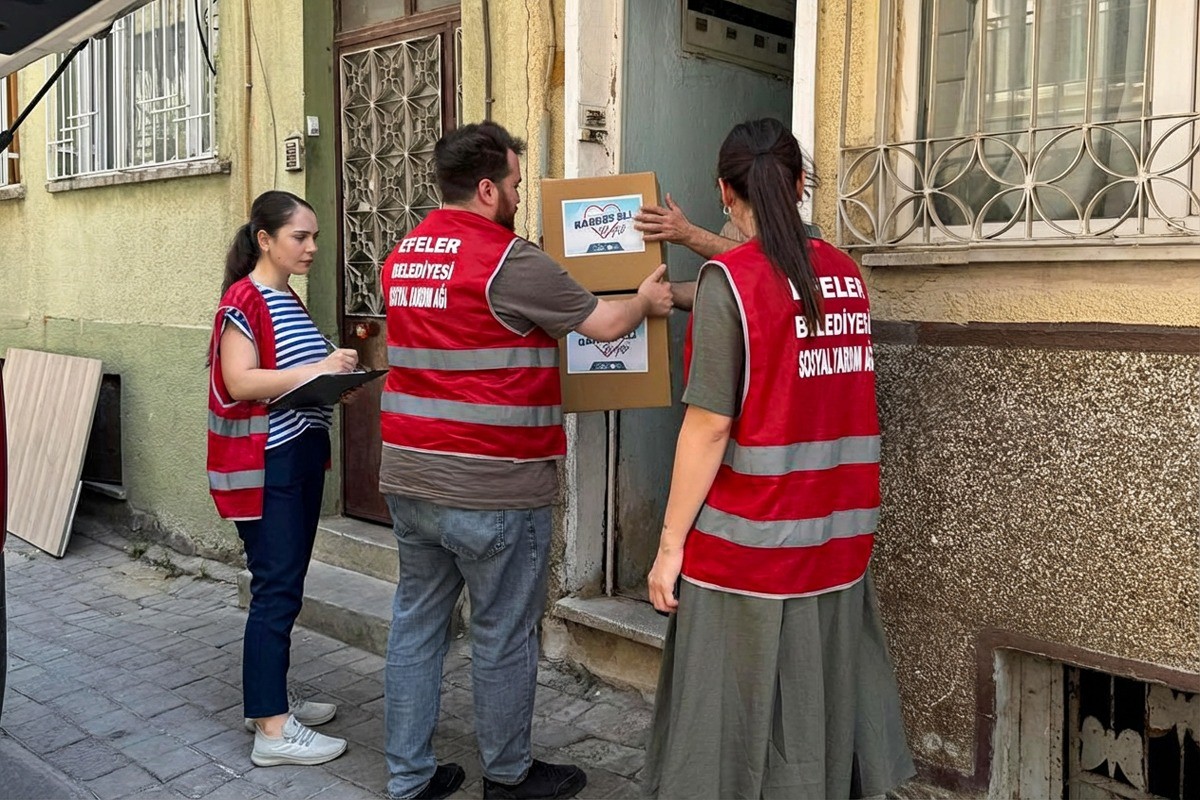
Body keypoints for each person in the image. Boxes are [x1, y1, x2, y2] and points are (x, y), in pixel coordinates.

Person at [378, 121, 673, 800]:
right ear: (487, 189)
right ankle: (508, 777)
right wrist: (647, 300)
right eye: (514, 183)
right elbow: (604, 324)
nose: (518, 195)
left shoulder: (402, 256)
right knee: (504, 634)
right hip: (494, 486)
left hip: (411, 478)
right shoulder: (509, 260)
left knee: (416, 625)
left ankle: (409, 779)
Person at [642, 119, 915, 799]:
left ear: (723, 192)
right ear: (799, 184)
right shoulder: (845, 275)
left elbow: (708, 429)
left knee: (728, 730)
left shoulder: (730, 281)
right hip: (837, 541)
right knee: (815, 716)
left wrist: (670, 547)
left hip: (749, 552)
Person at [206, 190, 355, 768]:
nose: (312, 246)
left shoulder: (287, 296)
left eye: (314, 236)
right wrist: (319, 368)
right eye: (300, 236)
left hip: (297, 456)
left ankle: (268, 700)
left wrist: (335, 375)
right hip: (268, 464)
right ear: (265, 240)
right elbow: (241, 381)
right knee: (276, 590)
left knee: (283, 586)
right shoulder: (244, 300)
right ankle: (272, 731)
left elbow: (292, 376)